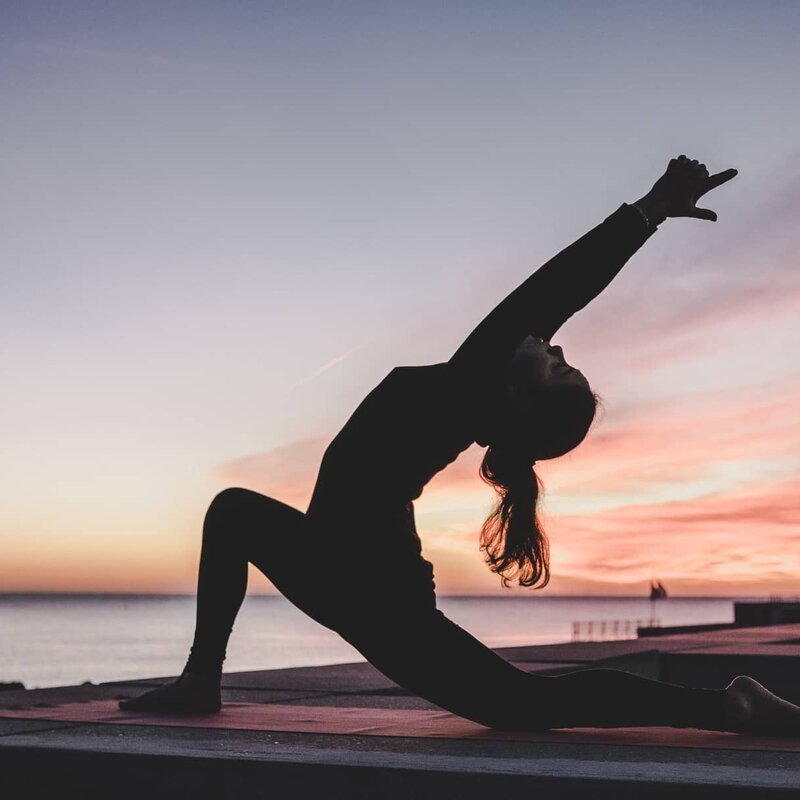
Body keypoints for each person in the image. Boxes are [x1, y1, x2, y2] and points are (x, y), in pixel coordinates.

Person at [120, 156, 800, 736]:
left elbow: (557, 288)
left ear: (521, 401)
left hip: (371, 589)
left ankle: (729, 704)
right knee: (233, 511)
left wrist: (649, 210)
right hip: (344, 567)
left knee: (522, 707)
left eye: (559, 366)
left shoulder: (473, 386)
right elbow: (550, 303)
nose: (555, 344)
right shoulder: (471, 393)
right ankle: (201, 680)